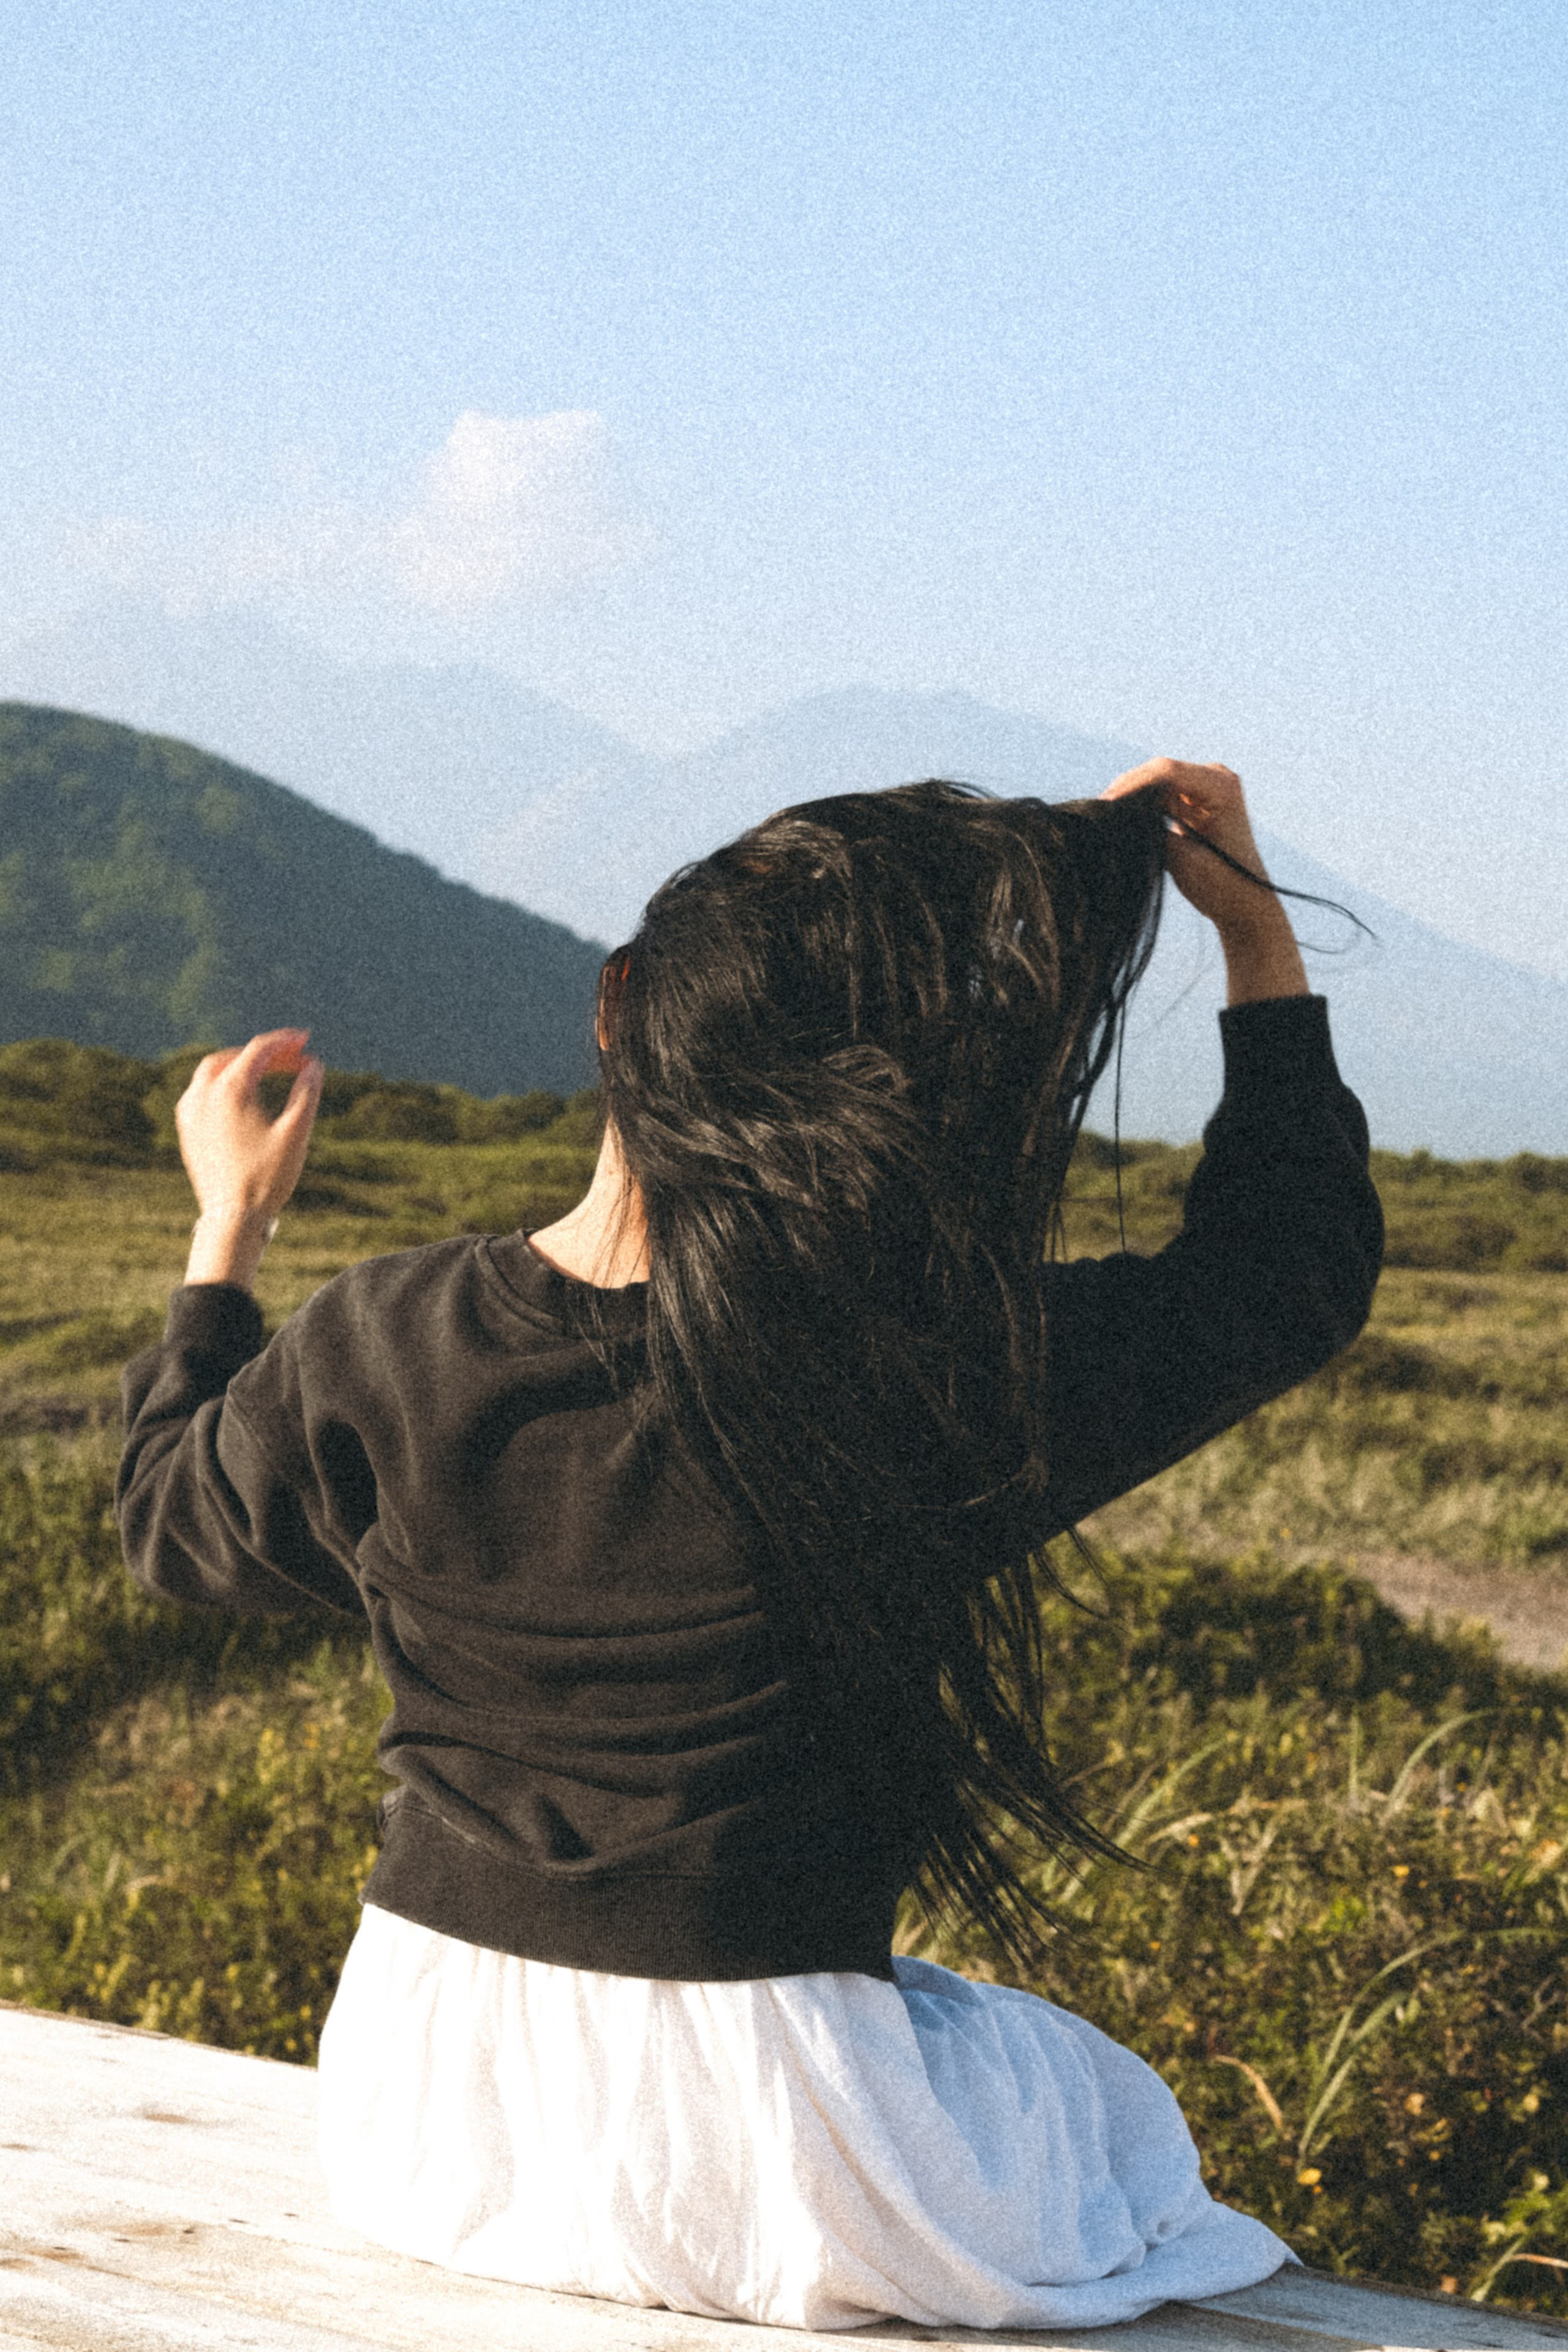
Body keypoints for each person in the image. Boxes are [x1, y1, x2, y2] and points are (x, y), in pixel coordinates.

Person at [118, 758, 1382, 2334]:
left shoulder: (386, 1336)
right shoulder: (917, 1373)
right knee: (1088, 2107)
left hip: (427, 2108)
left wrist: (226, 1227)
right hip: (793, 2158)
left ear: (615, 1008)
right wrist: (1253, 942)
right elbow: (1286, 1274)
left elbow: (174, 1528)